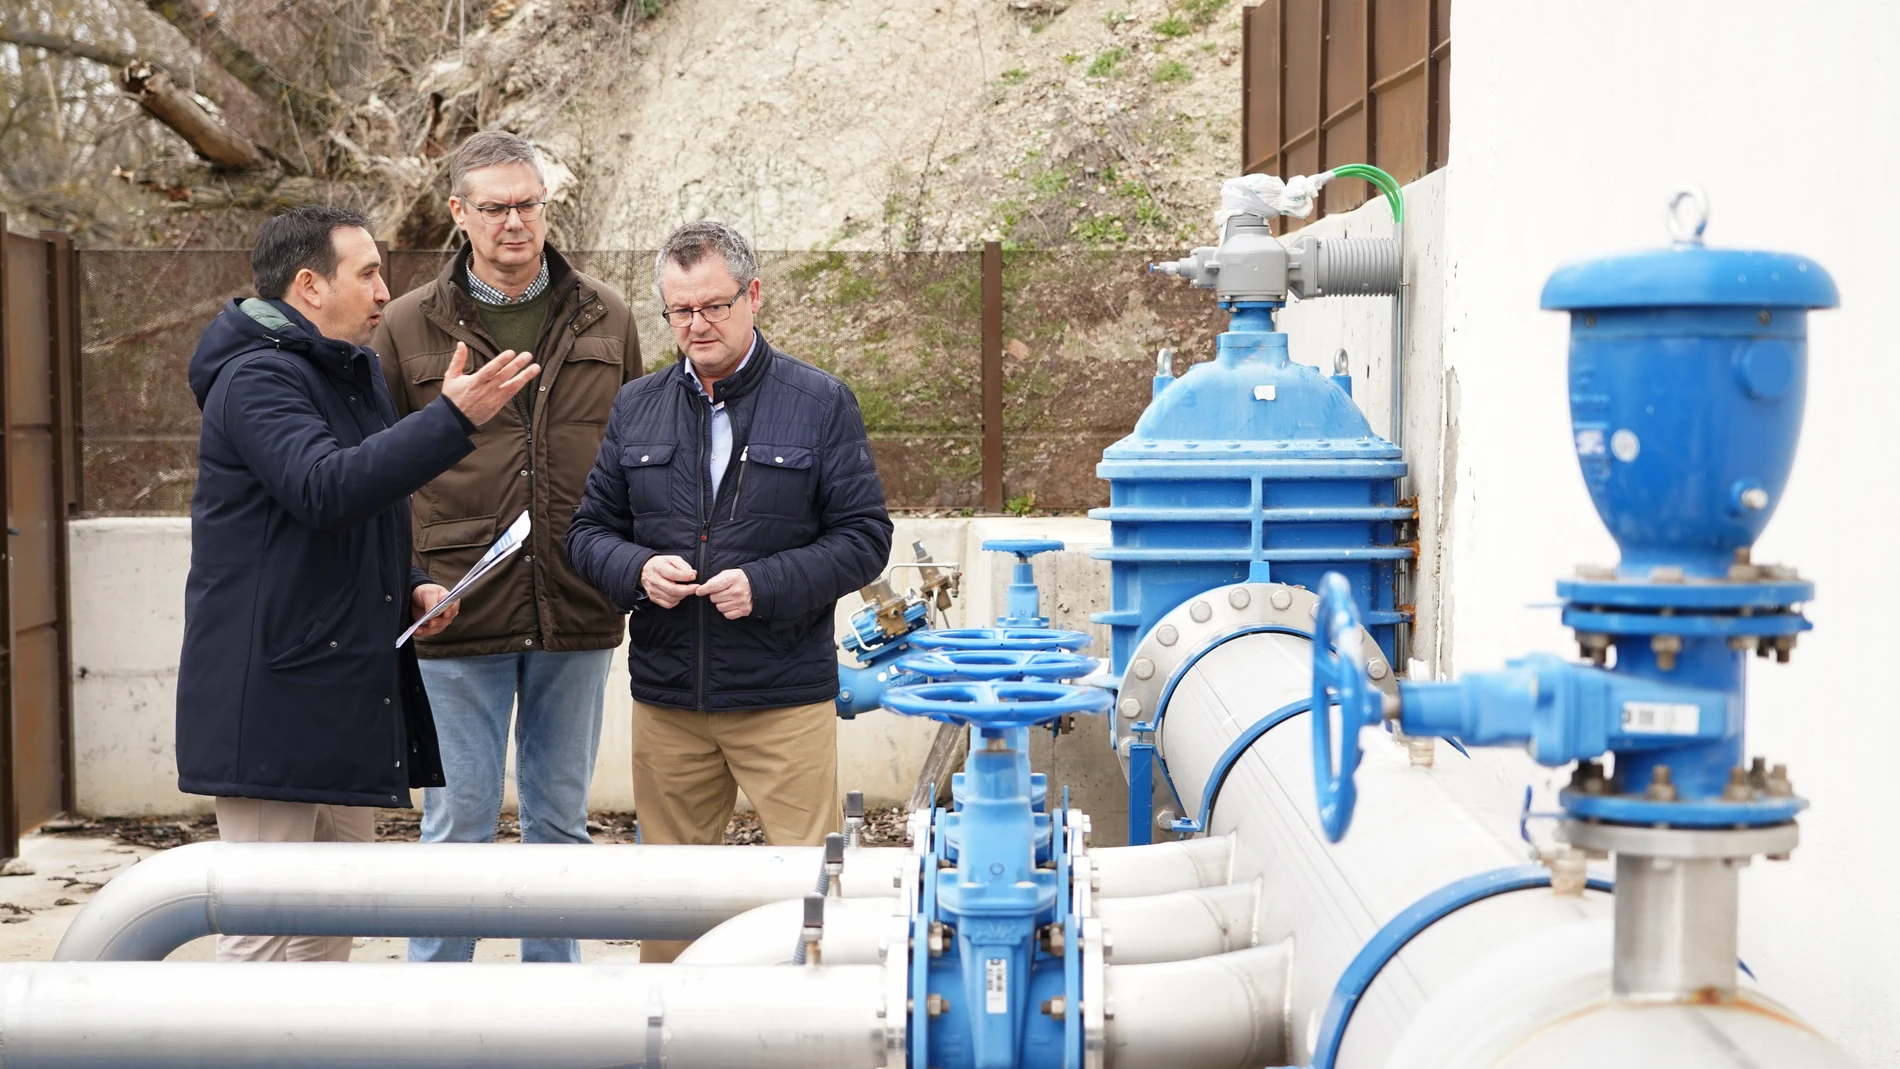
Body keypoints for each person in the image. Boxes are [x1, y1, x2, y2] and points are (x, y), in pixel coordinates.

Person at [176, 205, 539, 962]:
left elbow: (366, 510)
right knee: (265, 935)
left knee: (327, 932)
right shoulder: (256, 378)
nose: (385, 290)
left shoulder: (354, 370)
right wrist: (451, 419)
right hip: (272, 698)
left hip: (340, 688)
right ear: (309, 285)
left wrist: (410, 582)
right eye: (368, 272)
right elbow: (323, 487)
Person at [567, 220, 892, 962]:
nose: (697, 324)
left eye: (713, 305)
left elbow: (865, 536)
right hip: (669, 701)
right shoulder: (637, 406)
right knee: (672, 911)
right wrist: (636, 569)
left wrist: (767, 584)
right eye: (680, 310)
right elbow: (588, 532)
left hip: (782, 697)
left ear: (753, 295)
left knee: (809, 896)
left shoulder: (819, 402)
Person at [371, 131, 641, 965]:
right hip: (457, 606)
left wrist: (625, 562)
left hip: (576, 599)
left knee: (561, 822)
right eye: (495, 207)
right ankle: (436, 1016)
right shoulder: (407, 324)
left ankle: (550, 1013)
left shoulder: (607, 313)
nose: (516, 222)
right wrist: (413, 579)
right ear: (460, 213)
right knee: (459, 822)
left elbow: (637, 451)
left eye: (529, 204)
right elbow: (376, 472)